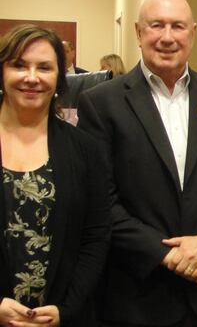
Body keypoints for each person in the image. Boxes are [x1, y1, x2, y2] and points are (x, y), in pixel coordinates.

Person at [77, 0, 197, 326]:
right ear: (138, 32)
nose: (166, 37)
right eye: (156, 26)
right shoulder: (101, 103)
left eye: (177, 26)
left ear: (192, 33)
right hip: (137, 297)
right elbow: (100, 199)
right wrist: (165, 253)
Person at [0, 25, 110, 326]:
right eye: (19, 65)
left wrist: (66, 308)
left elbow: (96, 236)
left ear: (59, 78)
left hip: (62, 316)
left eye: (44, 68)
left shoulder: (85, 150)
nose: (31, 77)